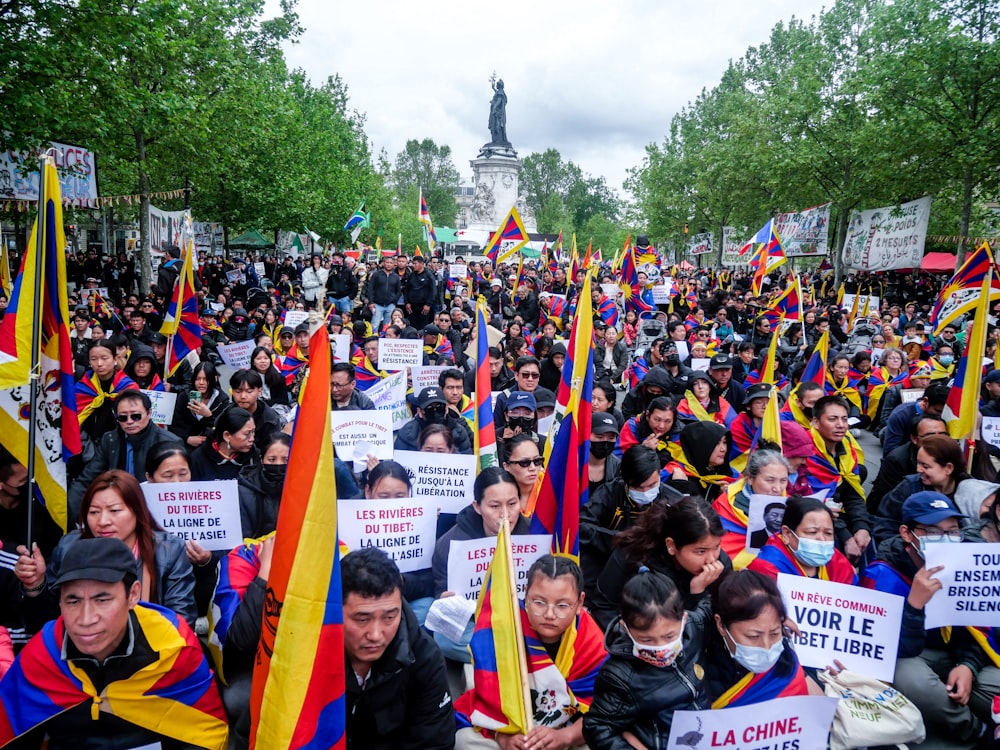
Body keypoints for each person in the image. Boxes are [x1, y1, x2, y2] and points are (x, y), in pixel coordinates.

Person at [0, 537, 228, 749]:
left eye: (102, 599)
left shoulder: (174, 648)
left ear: (133, 595)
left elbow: (205, 736)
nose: (86, 618)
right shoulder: (42, 654)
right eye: (73, 600)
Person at [861, 493, 1000, 748]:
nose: (946, 539)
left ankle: (982, 711)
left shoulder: (967, 561)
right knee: (909, 679)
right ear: (907, 533)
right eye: (933, 531)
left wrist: (967, 665)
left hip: (956, 656)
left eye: (953, 530)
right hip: (916, 655)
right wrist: (915, 604)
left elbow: (982, 627)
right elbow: (891, 649)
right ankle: (974, 729)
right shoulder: (882, 573)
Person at [454, 555, 607, 750]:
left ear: (579, 603)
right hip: (510, 728)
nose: (550, 615)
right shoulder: (505, 627)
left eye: (562, 605)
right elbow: (489, 695)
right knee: (465, 740)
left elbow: (602, 710)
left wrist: (564, 737)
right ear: (525, 595)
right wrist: (503, 736)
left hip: (564, 730)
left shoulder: (590, 641)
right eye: (539, 602)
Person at [17, 471, 197, 627]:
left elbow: (181, 620)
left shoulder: (169, 550)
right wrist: (35, 585)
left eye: (115, 510)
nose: (103, 522)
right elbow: (41, 623)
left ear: (137, 511)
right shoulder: (69, 547)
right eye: (94, 512)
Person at [584, 570, 713, 750]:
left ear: (684, 619)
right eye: (647, 640)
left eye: (669, 636)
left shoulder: (694, 627)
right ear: (625, 628)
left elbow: (720, 608)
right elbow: (597, 726)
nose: (661, 648)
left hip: (707, 737)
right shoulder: (620, 675)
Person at [343, 547, 455, 749]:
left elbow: (434, 742)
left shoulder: (424, 657)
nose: (376, 635)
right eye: (362, 619)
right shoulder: (308, 652)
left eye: (389, 617)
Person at [589, 497, 729, 631]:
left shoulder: (720, 564)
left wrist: (697, 594)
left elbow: (716, 628)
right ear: (671, 546)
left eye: (716, 547)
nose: (711, 559)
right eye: (700, 551)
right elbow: (603, 605)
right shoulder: (633, 553)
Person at [68, 390, 183, 520]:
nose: (129, 421)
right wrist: (77, 517)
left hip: (153, 510)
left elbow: (176, 489)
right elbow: (87, 479)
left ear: (149, 413)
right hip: (116, 506)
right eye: (123, 417)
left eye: (136, 416)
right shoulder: (110, 439)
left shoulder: (168, 442)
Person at [580, 446, 680, 593]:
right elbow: (582, 526)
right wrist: (620, 540)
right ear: (624, 479)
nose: (646, 492)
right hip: (609, 562)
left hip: (657, 568)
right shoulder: (609, 493)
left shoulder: (674, 501)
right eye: (638, 487)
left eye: (652, 485)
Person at [705, 569, 809, 706]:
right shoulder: (699, 669)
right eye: (753, 636)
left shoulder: (787, 665)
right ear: (721, 625)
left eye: (775, 633)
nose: (767, 647)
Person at [805, 396, 872, 561]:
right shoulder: (805, 451)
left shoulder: (847, 448)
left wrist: (861, 528)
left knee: (872, 541)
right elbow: (817, 505)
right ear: (816, 422)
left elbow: (853, 493)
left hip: (839, 512)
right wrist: (847, 536)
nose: (841, 425)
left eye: (844, 419)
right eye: (832, 419)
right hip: (812, 518)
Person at [875, 433, 972, 543]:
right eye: (918, 463)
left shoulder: (972, 493)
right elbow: (884, 528)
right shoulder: (908, 488)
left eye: (925, 466)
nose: (919, 470)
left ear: (948, 468)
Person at [748, 496, 857, 583]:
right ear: (786, 534)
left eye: (828, 533)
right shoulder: (766, 568)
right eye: (812, 532)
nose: (822, 539)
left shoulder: (838, 562)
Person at [76, 339, 140, 446]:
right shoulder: (83, 387)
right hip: (88, 445)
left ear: (115, 359)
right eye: (94, 359)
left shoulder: (128, 387)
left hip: (121, 444)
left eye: (104, 358)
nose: (99, 364)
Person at [667, 421, 735, 503]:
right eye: (716, 444)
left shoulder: (723, 475)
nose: (723, 449)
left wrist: (721, 496)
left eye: (725, 442)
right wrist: (681, 487)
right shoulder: (674, 473)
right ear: (701, 447)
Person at [170, 361, 232, 448]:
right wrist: (187, 438)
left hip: (212, 446)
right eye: (198, 379)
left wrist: (209, 416)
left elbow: (224, 429)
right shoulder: (184, 396)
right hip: (184, 445)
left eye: (206, 379)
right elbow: (174, 425)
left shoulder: (222, 400)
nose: (201, 382)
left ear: (214, 379)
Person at [394, 386, 473, 454]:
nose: (435, 412)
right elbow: (398, 464)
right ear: (419, 412)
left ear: (446, 408)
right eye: (429, 409)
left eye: (440, 408)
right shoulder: (407, 433)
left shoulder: (459, 432)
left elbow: (466, 461)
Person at [189, 407, 260, 481]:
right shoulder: (198, 459)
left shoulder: (255, 457)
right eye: (247, 433)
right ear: (227, 436)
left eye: (253, 432)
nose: (252, 438)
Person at [230, 369, 282, 451]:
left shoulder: (270, 420)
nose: (243, 396)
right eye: (238, 391)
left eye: (249, 391)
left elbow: (272, 451)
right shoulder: (226, 414)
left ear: (259, 391)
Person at [502, 434, 543, 511]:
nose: (533, 468)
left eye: (537, 461)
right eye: (524, 463)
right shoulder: (498, 494)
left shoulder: (552, 489)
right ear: (507, 466)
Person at [587, 411, 622, 494]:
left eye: (611, 438)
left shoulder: (618, 467)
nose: (605, 442)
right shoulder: (572, 463)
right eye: (600, 437)